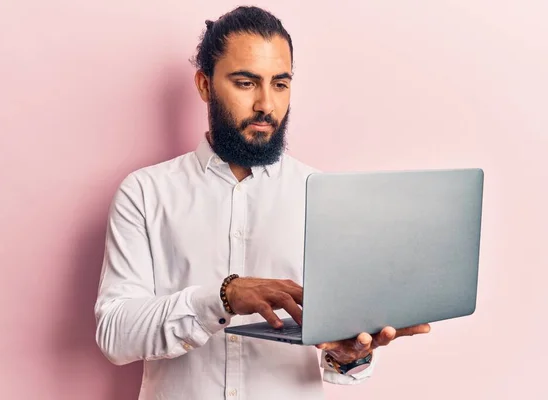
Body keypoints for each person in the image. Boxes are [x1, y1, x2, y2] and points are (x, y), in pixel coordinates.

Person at [94, 6, 430, 400]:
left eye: (281, 84)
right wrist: (224, 297)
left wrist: (348, 355)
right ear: (204, 85)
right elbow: (115, 335)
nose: (266, 105)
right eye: (246, 83)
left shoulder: (320, 194)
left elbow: (339, 350)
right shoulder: (145, 193)